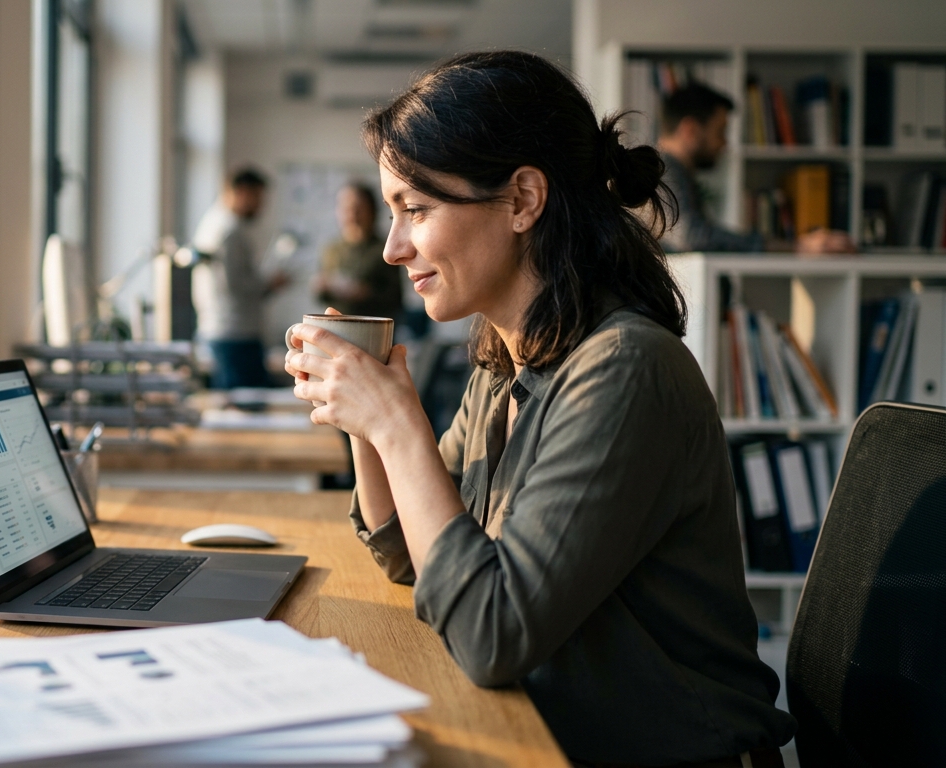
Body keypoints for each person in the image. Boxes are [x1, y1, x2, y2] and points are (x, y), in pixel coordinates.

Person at [286, 52, 794, 767]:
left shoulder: (623, 370)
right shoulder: (510, 354)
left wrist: (398, 427)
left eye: (417, 209)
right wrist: (367, 425)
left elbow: (491, 633)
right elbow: (420, 561)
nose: (395, 249)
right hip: (554, 731)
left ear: (523, 199)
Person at [658, 83, 854, 254]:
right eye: (720, 132)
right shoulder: (661, 171)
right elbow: (691, 236)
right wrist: (794, 247)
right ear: (690, 130)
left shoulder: (668, 170)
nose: (724, 144)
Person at [191, 167, 289, 389]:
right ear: (242, 192)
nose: (261, 206)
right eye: (258, 198)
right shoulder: (229, 231)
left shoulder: (212, 221)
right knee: (243, 406)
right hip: (235, 333)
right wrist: (270, 284)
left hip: (220, 329)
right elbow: (235, 286)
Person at [313, 183, 403, 320]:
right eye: (345, 208)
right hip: (337, 326)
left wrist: (366, 293)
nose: (352, 215)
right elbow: (322, 298)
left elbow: (396, 299)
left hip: (374, 330)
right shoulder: (332, 250)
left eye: (358, 208)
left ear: (371, 211)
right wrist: (321, 287)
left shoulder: (385, 249)